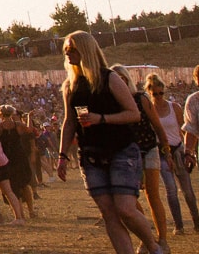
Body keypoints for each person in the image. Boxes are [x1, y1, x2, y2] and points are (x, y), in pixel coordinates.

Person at [56, 30, 160, 254]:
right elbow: (69, 121)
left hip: (121, 151)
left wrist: (101, 119)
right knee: (109, 214)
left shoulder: (109, 78)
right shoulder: (70, 86)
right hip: (91, 154)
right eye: (65, 50)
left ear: (85, 50)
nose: (67, 53)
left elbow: (134, 114)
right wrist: (62, 155)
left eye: (71, 49)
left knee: (125, 209)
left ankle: (154, 247)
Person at [114, 64, 172, 252]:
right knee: (129, 199)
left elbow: (157, 125)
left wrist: (167, 151)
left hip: (149, 149)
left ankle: (162, 239)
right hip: (128, 154)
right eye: (115, 78)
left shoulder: (140, 98)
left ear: (127, 79)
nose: (119, 81)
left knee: (152, 194)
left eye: (122, 78)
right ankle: (146, 235)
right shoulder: (112, 105)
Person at [150, 72, 199, 232]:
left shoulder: (174, 107)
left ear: (164, 91)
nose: (158, 96)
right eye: (154, 93)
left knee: (188, 191)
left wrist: (187, 151)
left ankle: (197, 222)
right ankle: (179, 226)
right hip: (162, 153)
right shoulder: (149, 110)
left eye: (160, 93)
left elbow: (185, 130)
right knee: (171, 190)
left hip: (178, 150)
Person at [0, 105, 37, 221]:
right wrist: (29, 117)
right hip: (19, 158)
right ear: (11, 114)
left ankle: (20, 215)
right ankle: (30, 211)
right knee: (24, 184)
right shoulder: (17, 125)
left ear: (0, 114)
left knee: (12, 188)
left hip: (6, 159)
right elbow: (29, 130)